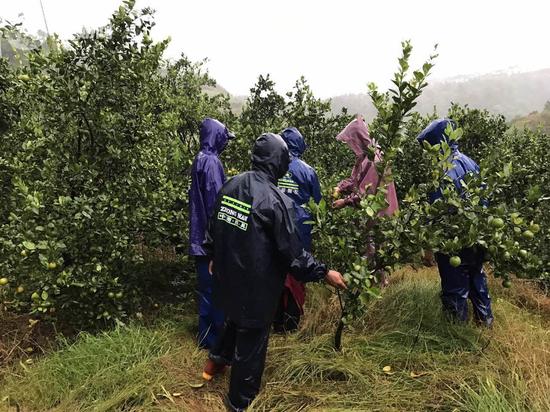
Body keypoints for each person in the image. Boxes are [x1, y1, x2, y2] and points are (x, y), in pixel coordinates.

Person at [201, 133, 346, 411]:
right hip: (256, 284)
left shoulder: (232, 183)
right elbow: (292, 254)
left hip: (228, 276)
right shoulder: (276, 200)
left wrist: (211, 255)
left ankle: (214, 363)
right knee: (251, 343)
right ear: (279, 162)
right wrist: (324, 272)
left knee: (233, 318)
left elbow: (214, 224)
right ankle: (239, 403)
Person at [417, 118, 494, 326]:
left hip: (453, 239)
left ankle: (456, 330)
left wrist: (430, 247)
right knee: (477, 278)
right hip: (477, 234)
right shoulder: (469, 161)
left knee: (455, 286)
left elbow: (437, 211)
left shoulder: (442, 170)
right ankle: (485, 323)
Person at [332, 117, 398, 285]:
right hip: (372, 213)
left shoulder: (374, 161)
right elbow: (355, 180)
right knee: (370, 250)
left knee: (375, 252)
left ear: (358, 138)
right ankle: (372, 286)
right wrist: (341, 187)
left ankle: (377, 288)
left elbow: (366, 194)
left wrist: (345, 202)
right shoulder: (363, 158)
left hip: (379, 214)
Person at [189, 117, 234, 350]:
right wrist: (218, 244)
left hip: (199, 238)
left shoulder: (199, 159)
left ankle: (206, 337)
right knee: (215, 290)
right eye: (224, 138)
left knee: (206, 289)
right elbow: (216, 205)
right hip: (209, 240)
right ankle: (215, 340)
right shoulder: (212, 163)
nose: (226, 143)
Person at [273, 127, 322, 333]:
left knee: (275, 273)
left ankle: (276, 321)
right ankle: (291, 323)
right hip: (300, 229)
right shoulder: (308, 171)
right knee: (297, 274)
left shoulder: (274, 167)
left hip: (275, 226)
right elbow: (317, 204)